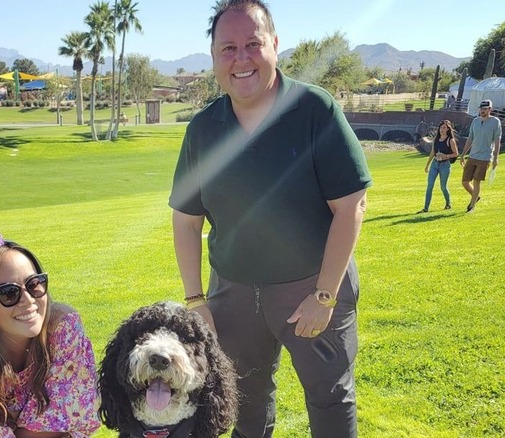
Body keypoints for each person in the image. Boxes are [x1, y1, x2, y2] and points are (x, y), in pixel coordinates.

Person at [168, 1, 372, 437]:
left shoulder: (315, 110)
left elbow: (351, 206)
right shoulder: (203, 129)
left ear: (275, 46)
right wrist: (196, 301)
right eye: (228, 48)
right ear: (213, 57)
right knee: (244, 399)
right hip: (233, 293)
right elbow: (186, 220)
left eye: (252, 44)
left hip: (311, 288)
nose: (241, 59)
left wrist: (323, 295)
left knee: (330, 398)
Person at [0, 231, 100, 438]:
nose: (28, 300)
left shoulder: (62, 328)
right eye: (8, 293)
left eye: (34, 284)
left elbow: (71, 411)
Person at [459, 99, 501, 213]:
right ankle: (475, 197)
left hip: (485, 157)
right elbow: (470, 138)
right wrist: (463, 154)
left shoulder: (495, 122)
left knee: (477, 181)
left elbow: (497, 141)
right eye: (481, 108)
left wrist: (496, 158)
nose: (482, 111)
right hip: (473, 155)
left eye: (485, 109)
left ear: (490, 109)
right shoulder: (475, 121)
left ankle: (471, 206)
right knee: (465, 182)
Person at [417, 120, 459, 213]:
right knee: (429, 186)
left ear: (448, 129)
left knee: (443, 187)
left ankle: (448, 203)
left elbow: (456, 154)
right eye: (441, 127)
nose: (442, 129)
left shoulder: (450, 140)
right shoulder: (436, 139)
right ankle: (425, 208)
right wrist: (427, 164)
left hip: (445, 165)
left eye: (444, 127)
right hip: (435, 164)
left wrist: (446, 156)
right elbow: (432, 152)